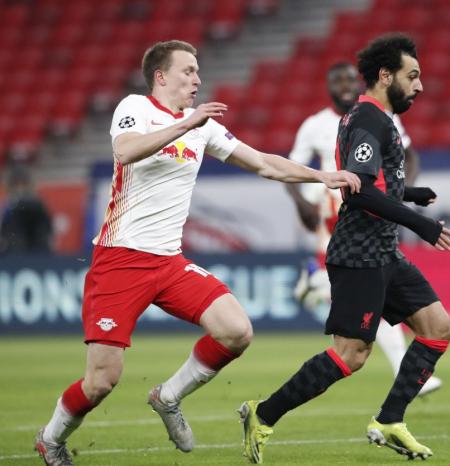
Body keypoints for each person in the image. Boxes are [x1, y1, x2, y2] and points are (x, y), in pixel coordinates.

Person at [34, 39, 360, 466]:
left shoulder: (200, 124)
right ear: (161, 76)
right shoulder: (136, 107)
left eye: (198, 70)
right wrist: (186, 126)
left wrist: (322, 176)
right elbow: (125, 150)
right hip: (119, 260)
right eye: (188, 70)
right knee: (102, 380)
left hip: (169, 262)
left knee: (236, 331)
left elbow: (262, 162)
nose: (197, 78)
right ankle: (51, 438)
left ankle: (168, 396)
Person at [239, 33, 450, 463]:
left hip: (383, 250)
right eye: (412, 76)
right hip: (358, 254)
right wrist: (421, 224)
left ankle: (390, 420)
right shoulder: (370, 120)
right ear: (385, 75)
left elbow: (369, 181)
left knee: (437, 328)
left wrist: (408, 193)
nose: (419, 86)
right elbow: (356, 193)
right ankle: (261, 415)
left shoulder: (375, 118)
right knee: (351, 355)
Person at [286, 62, 442, 396]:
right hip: (338, 209)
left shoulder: (381, 116)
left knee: (372, 297)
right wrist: (301, 203)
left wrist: (401, 192)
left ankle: (312, 281)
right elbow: (292, 168)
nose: (343, 84)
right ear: (327, 85)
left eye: (347, 79)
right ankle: (314, 281)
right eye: (335, 79)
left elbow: (408, 156)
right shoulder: (314, 125)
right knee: (370, 297)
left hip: (373, 208)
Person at [0, 165, 53, 254]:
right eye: (16, 184)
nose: (20, 188)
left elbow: (47, 230)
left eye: (23, 184)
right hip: (14, 253)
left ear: (29, 184)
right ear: (10, 186)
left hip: (37, 252)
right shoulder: (6, 205)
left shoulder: (38, 203)